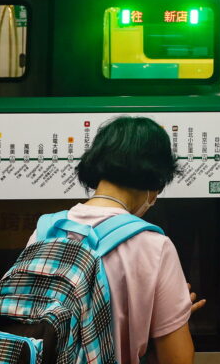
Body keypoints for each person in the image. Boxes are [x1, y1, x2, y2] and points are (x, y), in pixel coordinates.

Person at [24, 116, 204, 364]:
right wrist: (171, 319)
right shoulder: (153, 245)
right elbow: (177, 359)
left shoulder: (45, 231)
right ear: (155, 178)